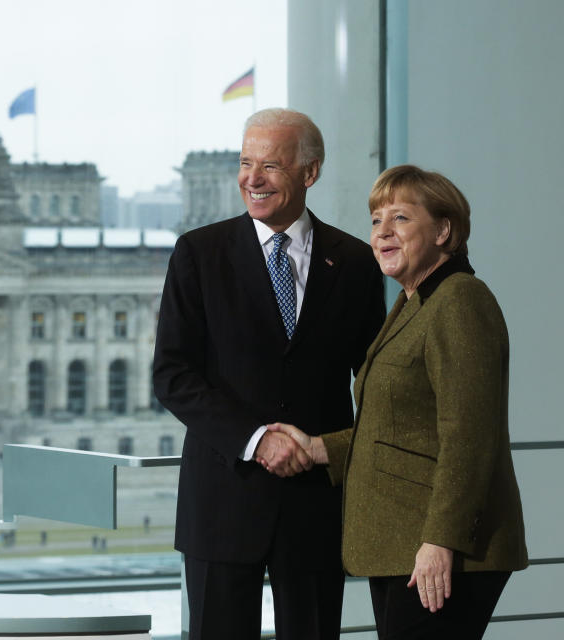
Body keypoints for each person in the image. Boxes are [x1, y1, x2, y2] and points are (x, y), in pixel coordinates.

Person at [152, 108, 386, 640]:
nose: (252, 179)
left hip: (314, 507)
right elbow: (172, 374)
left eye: (271, 165)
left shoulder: (354, 261)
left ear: (311, 172)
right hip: (221, 504)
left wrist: (339, 449)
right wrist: (256, 440)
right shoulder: (199, 253)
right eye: (245, 163)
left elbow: (375, 382)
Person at [267, 165, 528, 639]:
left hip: (439, 550)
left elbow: (468, 436)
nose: (382, 232)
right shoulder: (415, 301)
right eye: (375, 220)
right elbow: (403, 426)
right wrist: (321, 447)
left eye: (401, 219)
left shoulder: (460, 301)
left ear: (444, 231)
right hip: (405, 544)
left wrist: (440, 542)